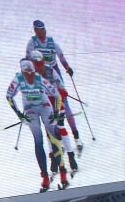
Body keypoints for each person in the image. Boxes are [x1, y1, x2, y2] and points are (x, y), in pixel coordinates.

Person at [27, 20, 83, 152]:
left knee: (64, 105)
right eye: (37, 30)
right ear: (35, 31)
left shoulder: (52, 43)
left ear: (45, 30)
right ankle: (58, 141)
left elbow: (61, 57)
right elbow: (27, 59)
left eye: (42, 30)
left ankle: (76, 136)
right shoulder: (32, 43)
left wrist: (68, 68)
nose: (40, 33)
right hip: (39, 76)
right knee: (48, 108)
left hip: (53, 72)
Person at [6, 59, 54, 192]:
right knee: (38, 141)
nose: (30, 76)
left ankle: (57, 164)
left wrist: (56, 112)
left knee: (52, 135)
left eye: (32, 73)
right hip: (30, 110)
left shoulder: (39, 79)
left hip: (44, 106)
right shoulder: (17, 79)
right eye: (27, 74)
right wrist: (19, 115)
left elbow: (55, 93)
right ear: (22, 73)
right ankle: (44, 175)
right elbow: (9, 96)